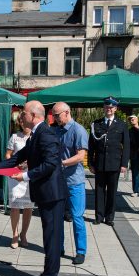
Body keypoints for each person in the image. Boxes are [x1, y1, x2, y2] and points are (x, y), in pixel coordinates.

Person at [0, 101, 67, 276]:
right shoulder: (35, 134)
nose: (21, 117)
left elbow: (50, 164)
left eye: (23, 113)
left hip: (52, 194)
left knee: (52, 237)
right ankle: (47, 274)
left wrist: (24, 176)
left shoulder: (45, 134)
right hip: (46, 193)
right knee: (49, 236)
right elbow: (16, 158)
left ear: (33, 115)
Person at [52, 102, 88, 265]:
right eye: (54, 115)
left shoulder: (78, 130)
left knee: (77, 216)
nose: (55, 118)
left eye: (57, 115)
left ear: (67, 113)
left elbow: (81, 156)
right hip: (59, 180)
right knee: (58, 216)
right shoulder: (56, 130)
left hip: (74, 181)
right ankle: (59, 247)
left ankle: (81, 251)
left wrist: (62, 163)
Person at [88, 96, 130, 226]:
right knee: (99, 191)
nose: (109, 109)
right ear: (103, 108)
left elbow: (126, 145)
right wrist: (91, 163)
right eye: (107, 107)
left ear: (115, 109)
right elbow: (91, 146)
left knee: (112, 192)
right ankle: (99, 216)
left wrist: (124, 164)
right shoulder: (96, 124)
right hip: (100, 164)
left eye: (111, 107)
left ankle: (110, 217)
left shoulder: (122, 125)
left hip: (114, 164)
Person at [5, 115, 34, 249]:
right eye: (20, 121)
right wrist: (14, 165)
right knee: (15, 206)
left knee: (28, 207)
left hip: (29, 175)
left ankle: (24, 234)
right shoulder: (14, 136)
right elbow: (8, 154)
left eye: (24, 120)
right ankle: (15, 235)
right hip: (15, 175)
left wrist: (28, 162)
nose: (23, 123)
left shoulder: (35, 136)